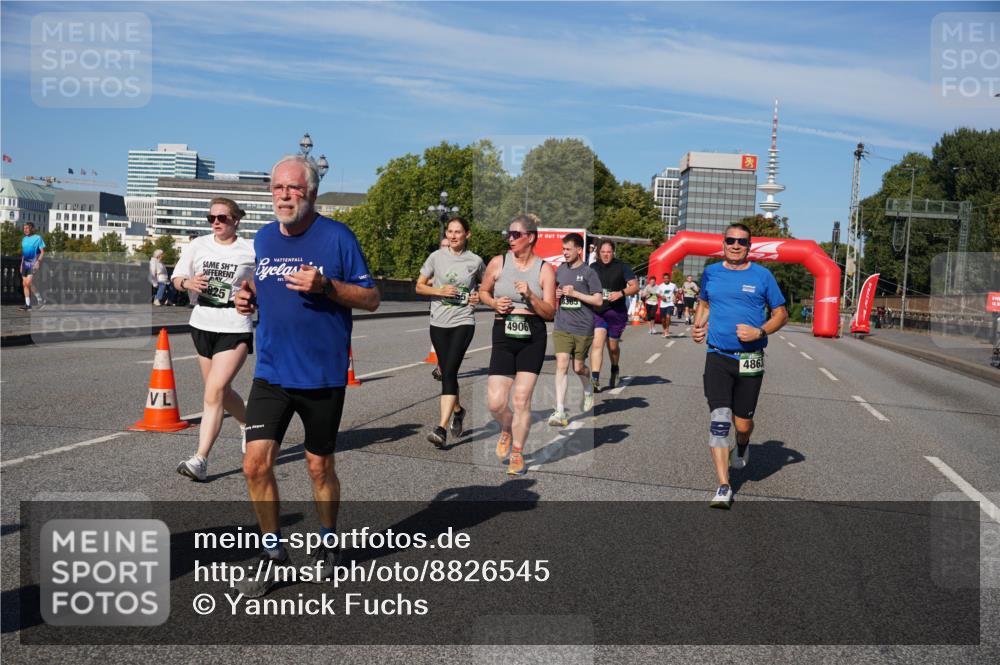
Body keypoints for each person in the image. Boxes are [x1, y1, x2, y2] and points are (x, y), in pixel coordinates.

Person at [233, 155, 380, 597]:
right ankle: (274, 555)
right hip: (272, 371)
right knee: (254, 464)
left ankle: (328, 542)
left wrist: (326, 287)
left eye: (293, 188)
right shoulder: (262, 238)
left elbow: (371, 298)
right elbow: (263, 280)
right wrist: (247, 295)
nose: (284, 195)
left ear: (311, 191)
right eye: (277, 188)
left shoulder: (337, 237)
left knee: (319, 467)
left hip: (322, 376)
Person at [691, 223, 788, 509]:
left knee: (742, 424)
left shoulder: (762, 276)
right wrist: (698, 327)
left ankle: (743, 444)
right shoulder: (711, 272)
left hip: (750, 358)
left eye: (742, 242)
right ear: (723, 243)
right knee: (720, 420)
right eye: (731, 240)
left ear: (749, 246)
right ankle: (723, 485)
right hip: (718, 355)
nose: (735, 245)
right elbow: (704, 304)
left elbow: (780, 313)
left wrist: (760, 332)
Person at [172, 198, 256, 482]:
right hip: (202, 322)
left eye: (222, 218)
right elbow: (177, 278)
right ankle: (247, 423)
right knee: (218, 390)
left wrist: (253, 298)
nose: (216, 223)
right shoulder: (198, 246)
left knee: (214, 392)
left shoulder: (250, 249)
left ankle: (200, 459)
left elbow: (263, 285)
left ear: (236, 220)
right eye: (212, 218)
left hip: (235, 324)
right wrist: (188, 284)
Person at [478, 214, 556, 476]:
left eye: (515, 235)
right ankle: (506, 428)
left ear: (530, 237)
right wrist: (493, 303)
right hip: (503, 332)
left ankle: (518, 454)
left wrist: (531, 296)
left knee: (521, 399)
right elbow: (483, 292)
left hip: (532, 335)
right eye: (508, 234)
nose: (510, 239)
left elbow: (550, 312)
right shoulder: (498, 262)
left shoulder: (544, 269)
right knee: (496, 403)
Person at [416, 217, 485, 448]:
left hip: (463, 321)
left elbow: (487, 287)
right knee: (447, 373)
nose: (453, 236)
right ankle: (458, 410)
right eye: (450, 232)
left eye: (458, 232)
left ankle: (441, 428)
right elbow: (419, 286)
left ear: (468, 234)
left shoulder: (475, 261)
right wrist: (439, 290)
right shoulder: (436, 257)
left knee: (450, 371)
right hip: (439, 322)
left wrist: (479, 297)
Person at [549, 232, 603, 428]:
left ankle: (588, 388)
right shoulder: (560, 270)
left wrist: (576, 293)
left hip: (583, 326)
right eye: (563, 249)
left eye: (568, 249)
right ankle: (560, 411)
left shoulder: (589, 273)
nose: (564, 253)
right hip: (562, 324)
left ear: (579, 250)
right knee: (561, 364)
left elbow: (598, 300)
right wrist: (555, 293)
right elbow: (554, 290)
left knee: (578, 367)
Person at [589, 240, 639, 392]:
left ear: (613, 252)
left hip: (616, 313)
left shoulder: (622, 266)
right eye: (603, 252)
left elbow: (635, 286)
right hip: (599, 311)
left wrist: (620, 293)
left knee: (613, 347)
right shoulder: (593, 267)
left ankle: (615, 368)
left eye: (608, 252)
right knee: (597, 343)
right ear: (599, 253)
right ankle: (595, 379)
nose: (605, 255)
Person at [430, 235, 452, 382]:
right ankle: (441, 366)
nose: (445, 248)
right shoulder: (434, 261)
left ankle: (446, 369)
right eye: (442, 246)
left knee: (452, 343)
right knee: (440, 342)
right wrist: (439, 287)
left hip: (456, 308)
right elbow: (424, 282)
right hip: (438, 307)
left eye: (447, 245)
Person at [19, 222, 45, 311]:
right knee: (24, 284)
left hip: (33, 263)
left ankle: (40, 300)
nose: (25, 230)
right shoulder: (24, 239)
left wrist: (38, 262)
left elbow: (42, 252)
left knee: (29, 283)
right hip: (24, 264)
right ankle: (28, 305)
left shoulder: (38, 238)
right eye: (24, 228)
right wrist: (21, 264)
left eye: (27, 228)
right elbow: (24, 253)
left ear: (31, 229)